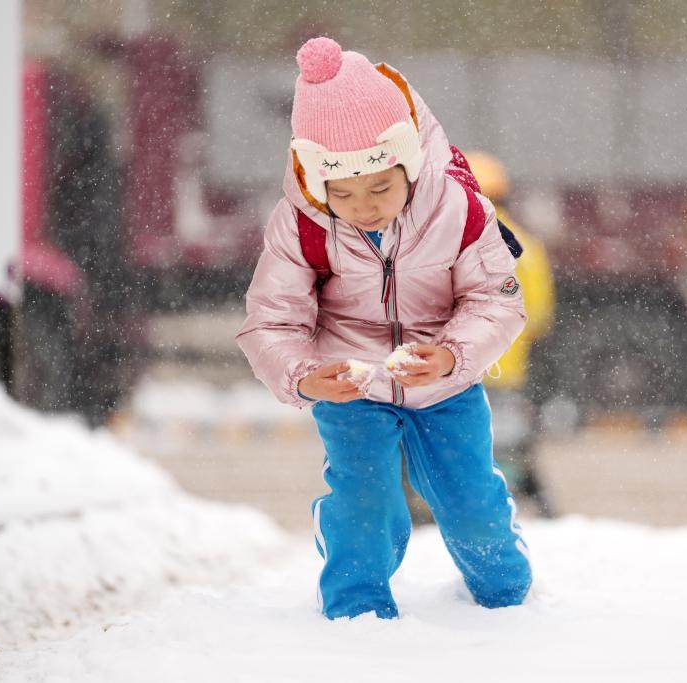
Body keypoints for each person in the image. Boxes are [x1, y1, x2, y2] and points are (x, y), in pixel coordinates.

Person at [236, 37, 532, 620]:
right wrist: (304, 377)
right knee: (365, 503)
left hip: (444, 382)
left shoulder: (462, 210)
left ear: (409, 163)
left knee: (471, 503)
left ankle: (508, 603)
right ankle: (356, 612)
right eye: (340, 192)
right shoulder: (301, 226)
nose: (363, 206)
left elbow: (496, 300)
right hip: (350, 384)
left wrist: (450, 356)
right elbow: (273, 318)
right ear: (313, 178)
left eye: (379, 187)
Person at [465, 151, 557, 517]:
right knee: (506, 445)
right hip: (507, 370)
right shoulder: (526, 247)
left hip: (454, 370)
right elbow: (539, 317)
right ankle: (514, 505)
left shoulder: (448, 243)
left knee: (455, 445)